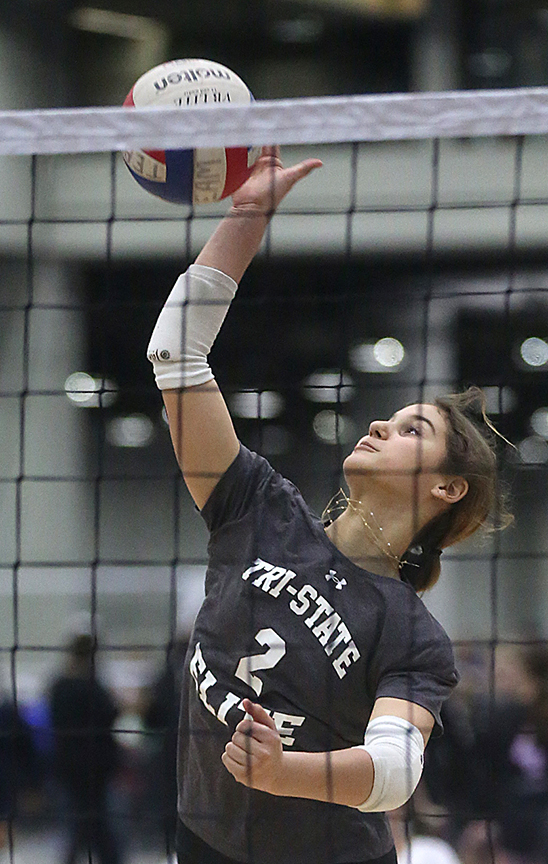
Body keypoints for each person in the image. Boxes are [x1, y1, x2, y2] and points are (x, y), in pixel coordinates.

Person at [146, 146, 512, 864]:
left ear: (447, 487)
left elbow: (395, 773)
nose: (380, 425)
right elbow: (176, 356)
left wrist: (285, 772)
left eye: (413, 430)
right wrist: (247, 217)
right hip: (203, 841)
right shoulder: (258, 507)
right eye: (392, 417)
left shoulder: (412, 634)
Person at [49, 633, 123, 864]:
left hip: (70, 767)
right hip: (94, 769)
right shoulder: (93, 688)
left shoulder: (59, 686)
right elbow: (110, 715)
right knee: (93, 823)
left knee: (82, 823)